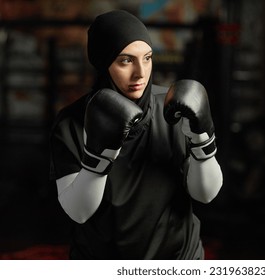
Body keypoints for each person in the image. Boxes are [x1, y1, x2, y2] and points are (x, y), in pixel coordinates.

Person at [49, 10, 223, 260]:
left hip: (178, 261)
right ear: (103, 62)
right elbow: (79, 212)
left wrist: (202, 138)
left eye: (147, 58)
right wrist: (99, 154)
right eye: (125, 60)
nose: (141, 72)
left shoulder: (174, 109)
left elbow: (205, 194)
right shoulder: (72, 122)